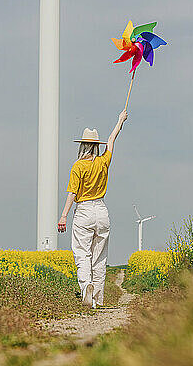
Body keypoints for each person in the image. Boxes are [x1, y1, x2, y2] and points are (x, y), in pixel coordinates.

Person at [57, 109, 128, 308]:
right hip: (102, 211)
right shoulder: (104, 161)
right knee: (99, 257)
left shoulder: (78, 166)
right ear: (97, 146)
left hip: (84, 211)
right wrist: (119, 121)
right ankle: (97, 297)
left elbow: (72, 193)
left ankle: (86, 286)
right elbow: (112, 139)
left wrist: (63, 216)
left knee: (82, 253)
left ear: (82, 145)